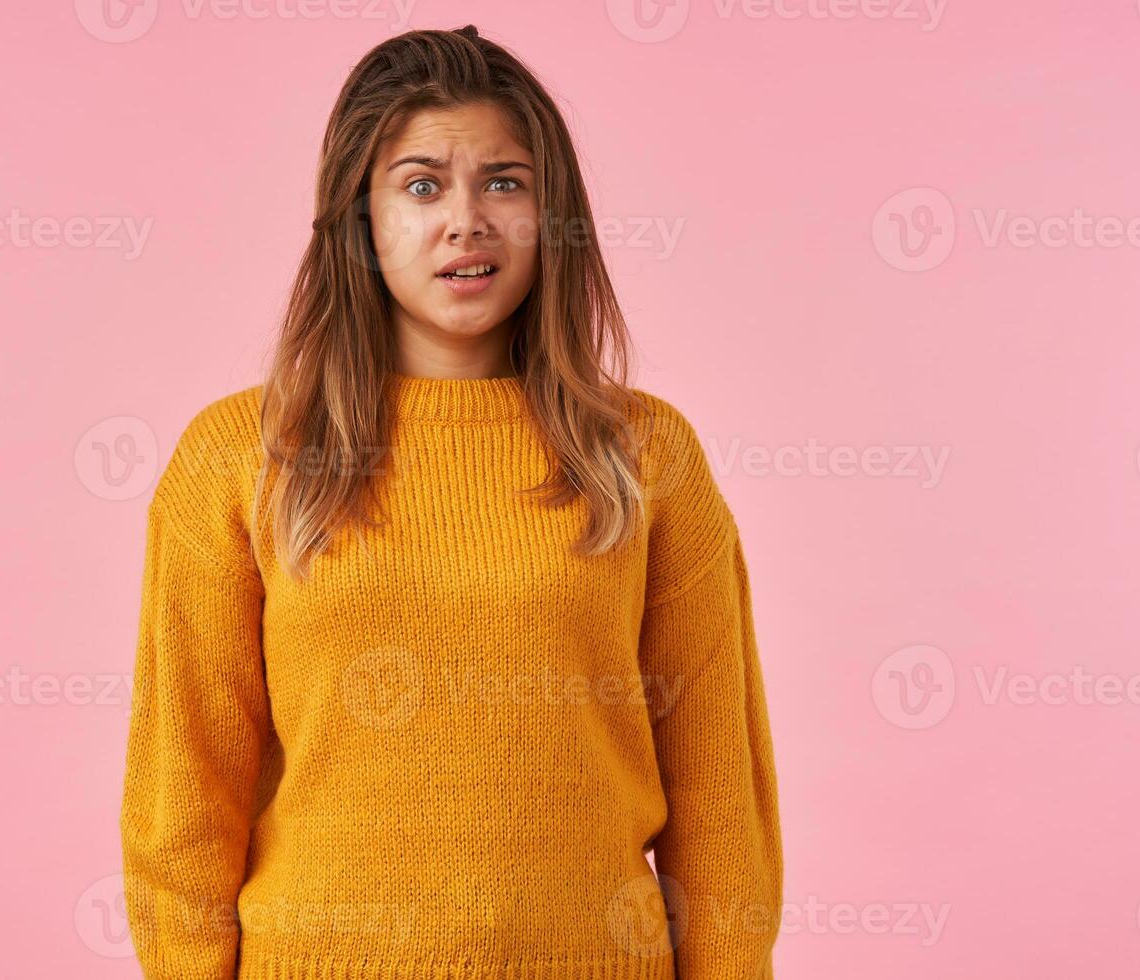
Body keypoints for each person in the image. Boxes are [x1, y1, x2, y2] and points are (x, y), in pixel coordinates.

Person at [120, 24, 782, 980]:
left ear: (553, 213)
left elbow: (722, 798)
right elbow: (182, 802)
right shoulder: (240, 459)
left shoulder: (644, 454)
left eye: (504, 182)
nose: (466, 221)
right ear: (360, 216)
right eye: (422, 185)